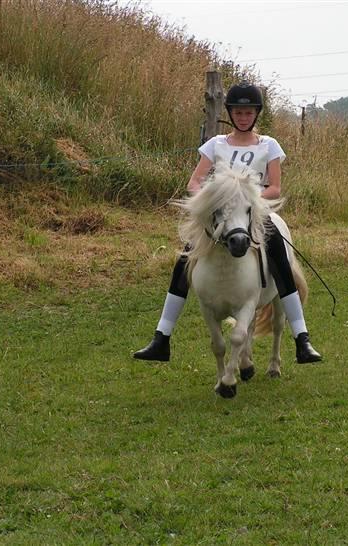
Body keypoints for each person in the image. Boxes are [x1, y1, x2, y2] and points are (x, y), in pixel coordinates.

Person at [134, 82, 322, 363]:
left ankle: (302, 339)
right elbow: (195, 182)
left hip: (254, 214)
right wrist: (210, 201)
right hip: (220, 216)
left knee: (282, 262)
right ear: (230, 114)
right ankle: (162, 337)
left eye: (248, 113)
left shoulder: (269, 145)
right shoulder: (215, 144)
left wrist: (247, 199)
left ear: (256, 114)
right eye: (238, 112)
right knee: (183, 262)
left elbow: (275, 189)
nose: (243, 117)